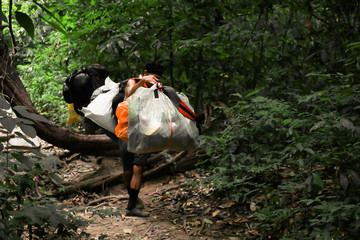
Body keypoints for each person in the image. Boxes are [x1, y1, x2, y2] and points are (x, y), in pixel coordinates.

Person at [117, 61, 163, 217]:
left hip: (143, 133)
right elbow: (129, 94)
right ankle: (133, 198)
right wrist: (143, 81)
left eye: (158, 78)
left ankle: (131, 206)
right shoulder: (134, 82)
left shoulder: (156, 87)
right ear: (145, 72)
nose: (155, 80)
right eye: (153, 77)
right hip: (126, 131)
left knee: (138, 168)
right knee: (127, 170)